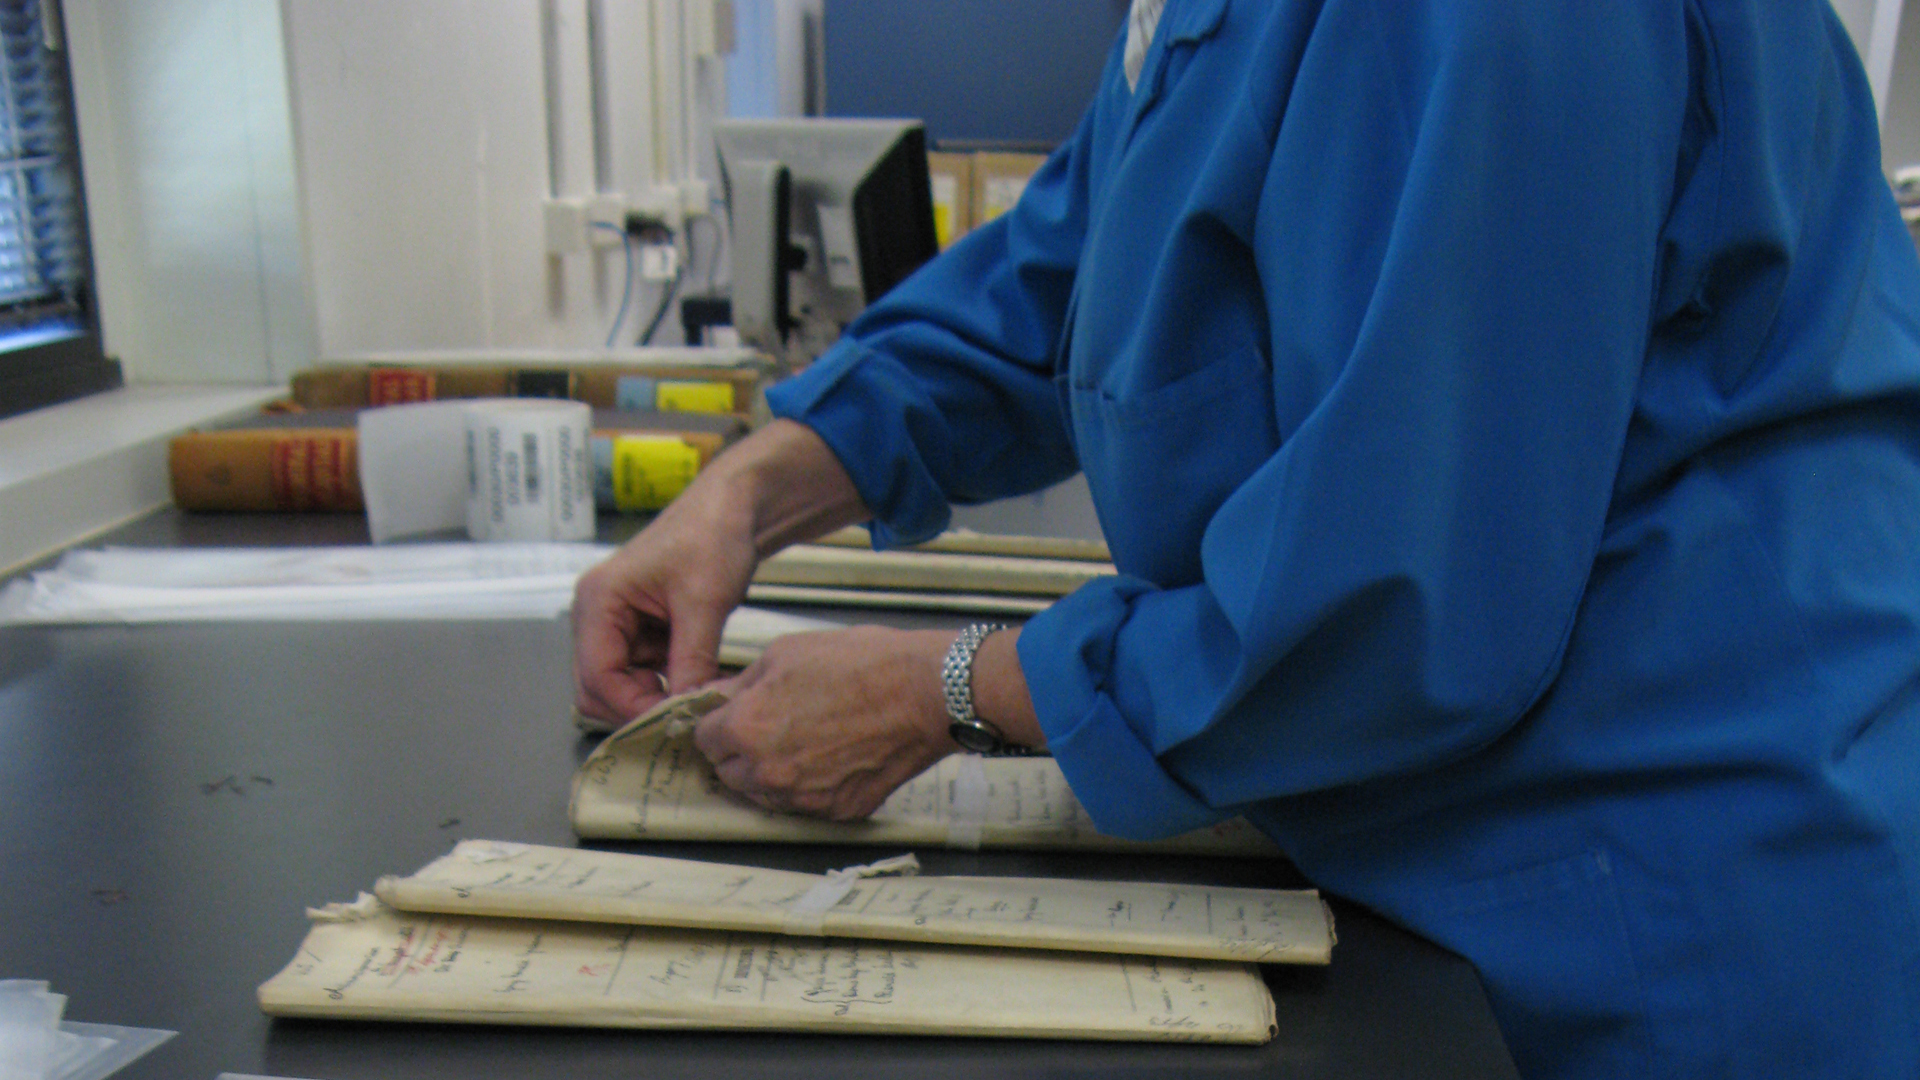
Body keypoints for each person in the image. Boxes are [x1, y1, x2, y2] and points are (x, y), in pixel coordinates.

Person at [573, 1, 1920, 1075]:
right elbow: (1082, 262)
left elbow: (1395, 590)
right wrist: (756, 487)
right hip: (1435, 851)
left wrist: (949, 689)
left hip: (1664, 902)